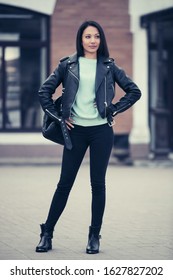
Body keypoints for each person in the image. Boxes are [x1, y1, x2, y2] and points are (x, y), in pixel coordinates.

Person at [36, 20, 141, 254]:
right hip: (75, 131)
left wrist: (113, 109)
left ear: (101, 40)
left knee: (98, 185)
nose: (92, 41)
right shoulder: (68, 65)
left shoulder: (110, 66)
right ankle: (47, 232)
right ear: (81, 39)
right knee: (64, 184)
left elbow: (134, 91)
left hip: (101, 131)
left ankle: (94, 236)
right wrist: (58, 117)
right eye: (88, 36)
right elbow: (44, 91)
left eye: (96, 36)